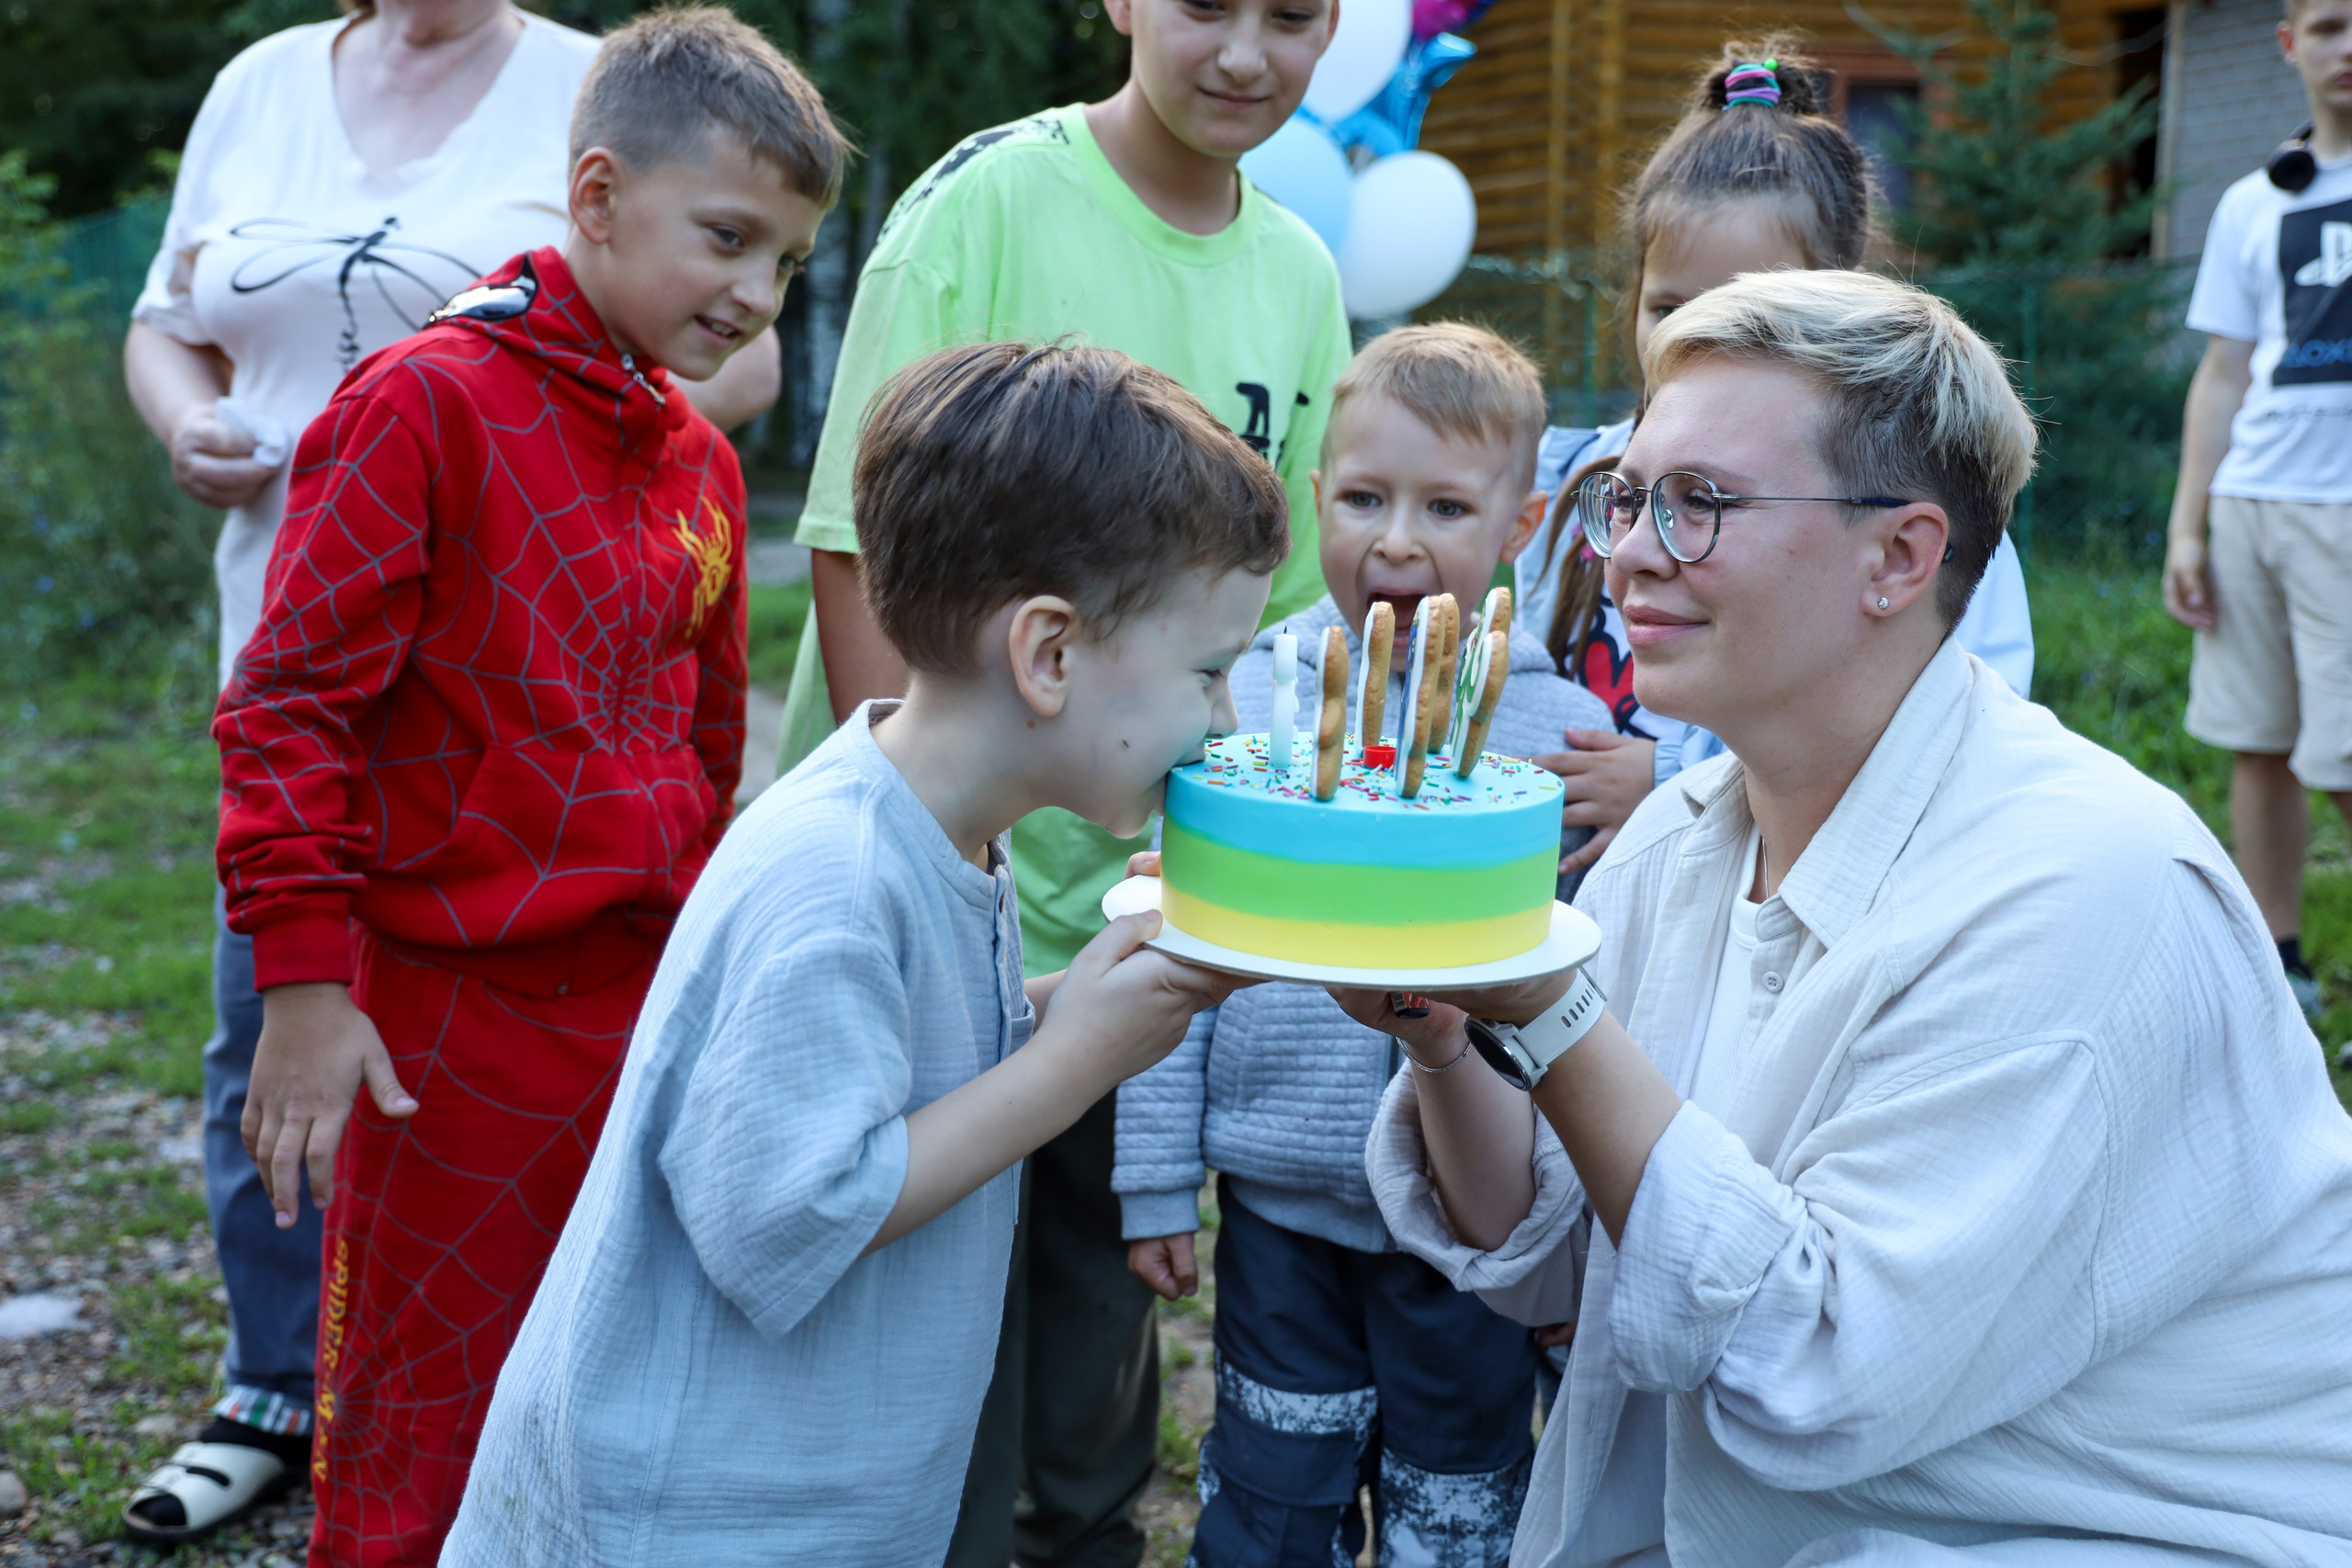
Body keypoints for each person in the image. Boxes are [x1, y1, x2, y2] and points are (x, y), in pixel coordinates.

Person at [1345, 268, 2352, 1564]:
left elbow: (1818, 1373)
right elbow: (1564, 1265)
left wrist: (1549, 1000)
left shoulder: (2085, 888)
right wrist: (1441, 1033)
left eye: (1701, 503)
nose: (1634, 551)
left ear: (1900, 556)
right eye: (1628, 496)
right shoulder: (1681, 834)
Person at [119, 0, 780, 1540]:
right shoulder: (419, 401)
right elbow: (289, 703)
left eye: (786, 261)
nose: (757, 295)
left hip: (626, 999)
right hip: (439, 997)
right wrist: (304, 975)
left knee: (597, 1381)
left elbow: (706, 726)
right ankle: (290, 1422)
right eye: (729, 240)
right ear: (599, 200)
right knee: (420, 1396)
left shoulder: (703, 465)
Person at [443, 340, 1265, 1567]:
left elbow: (905, 1059)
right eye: (1209, 671)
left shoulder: (936, 822)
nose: (1225, 721)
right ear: (1047, 654)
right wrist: (1078, 1058)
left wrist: (1077, 1000)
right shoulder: (833, 877)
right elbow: (787, 1213)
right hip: (685, 1521)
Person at [771, 3, 1351, 1560]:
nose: (1245, 51)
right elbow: (858, 551)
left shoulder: (1299, 273)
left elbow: (1283, 617)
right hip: (945, 912)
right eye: (1207, 6)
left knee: (1101, 1311)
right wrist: (934, 851)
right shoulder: (985, 208)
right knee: (926, 1319)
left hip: (1134, 913)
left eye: (1292, 16)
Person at [1114, 324, 1613, 1566]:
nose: (1396, 538)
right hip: (1280, 1207)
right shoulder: (1243, 707)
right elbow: (1177, 947)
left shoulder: (1558, 739)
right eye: (1363, 497)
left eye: (1445, 503)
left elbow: (1584, 987)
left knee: (1456, 1502)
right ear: (1312, 501)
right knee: (1274, 1496)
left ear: (1522, 523)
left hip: (1475, 1237)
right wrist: (1153, 1173)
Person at [1515, 44, 2035, 884]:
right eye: (1671, 307)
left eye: (1747, 303)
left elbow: (1955, 724)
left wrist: (1677, 780)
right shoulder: (1570, 475)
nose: (1704, 336)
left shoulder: (1908, 521)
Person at [2162, 0, 2352, 1026]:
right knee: (2259, 739)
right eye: (2326, 26)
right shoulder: (2251, 203)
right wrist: (2189, 523)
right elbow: (2224, 372)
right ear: (2289, 47)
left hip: (2347, 515)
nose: (2346, 47)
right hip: (2251, 504)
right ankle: (2279, 965)